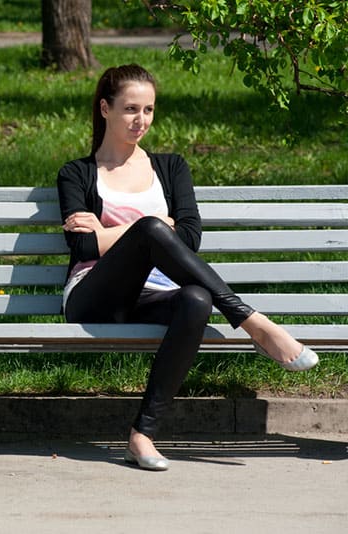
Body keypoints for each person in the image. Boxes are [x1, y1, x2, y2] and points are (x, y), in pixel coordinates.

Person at [57, 64, 318, 471]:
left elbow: (191, 237)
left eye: (148, 109)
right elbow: (82, 243)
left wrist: (116, 231)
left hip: (155, 293)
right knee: (151, 228)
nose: (140, 120)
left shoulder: (171, 167)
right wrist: (154, 229)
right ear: (105, 108)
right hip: (95, 294)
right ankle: (253, 323)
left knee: (196, 299)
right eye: (130, 109)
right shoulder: (77, 173)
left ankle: (142, 434)